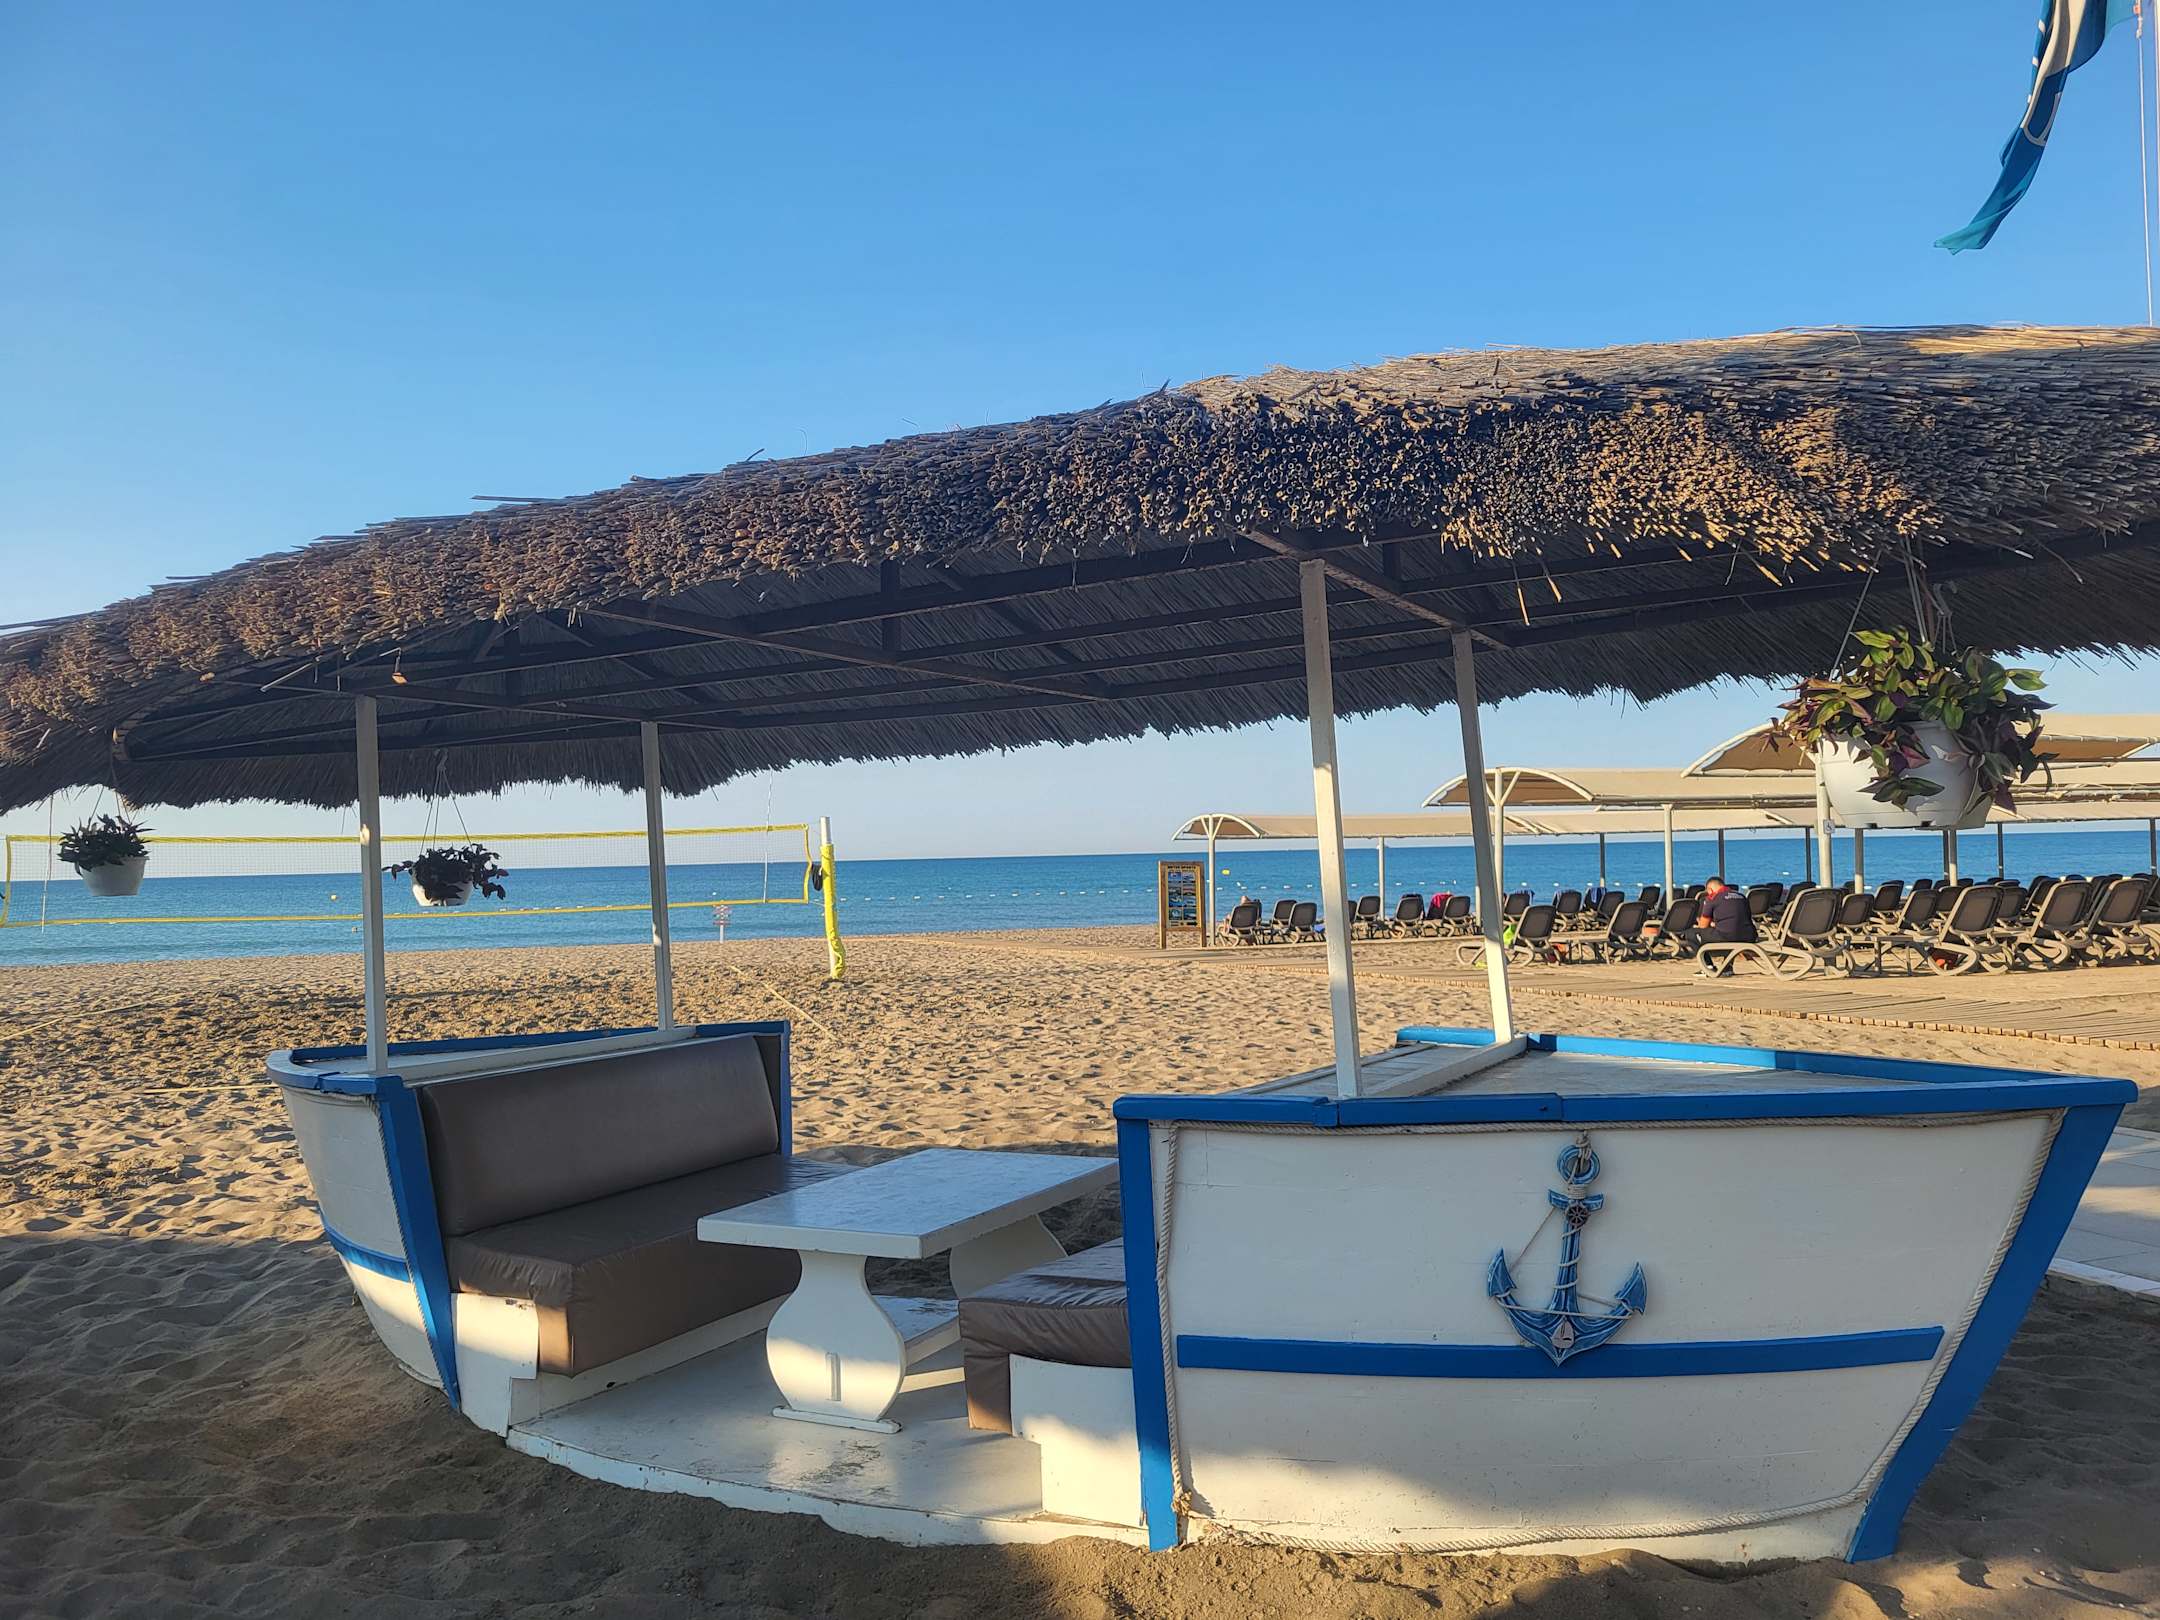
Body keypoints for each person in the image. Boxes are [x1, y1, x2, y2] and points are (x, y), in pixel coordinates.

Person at [1681, 875, 1755, 953]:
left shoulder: (1713, 898)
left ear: (1710, 890)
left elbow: (1703, 926)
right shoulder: (1741, 896)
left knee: (1690, 933)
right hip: (1749, 936)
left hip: (1727, 937)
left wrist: (1699, 922)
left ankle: (1706, 960)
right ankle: (1727, 960)